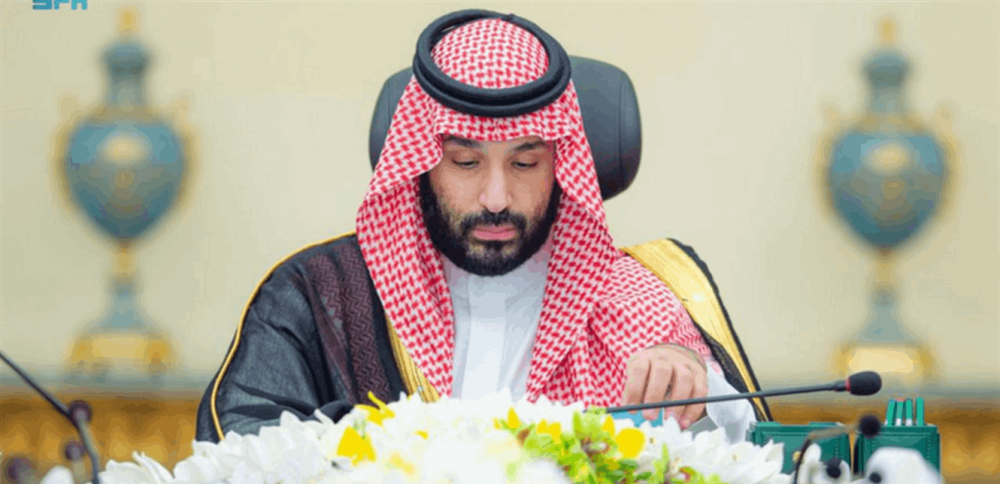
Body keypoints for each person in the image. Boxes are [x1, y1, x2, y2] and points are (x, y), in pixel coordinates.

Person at [196, 10, 769, 446]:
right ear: (421, 161)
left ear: (562, 165)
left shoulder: (638, 298)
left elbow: (743, 451)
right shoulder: (318, 295)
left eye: (526, 163)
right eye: (466, 163)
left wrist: (695, 386)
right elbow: (243, 448)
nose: (497, 199)